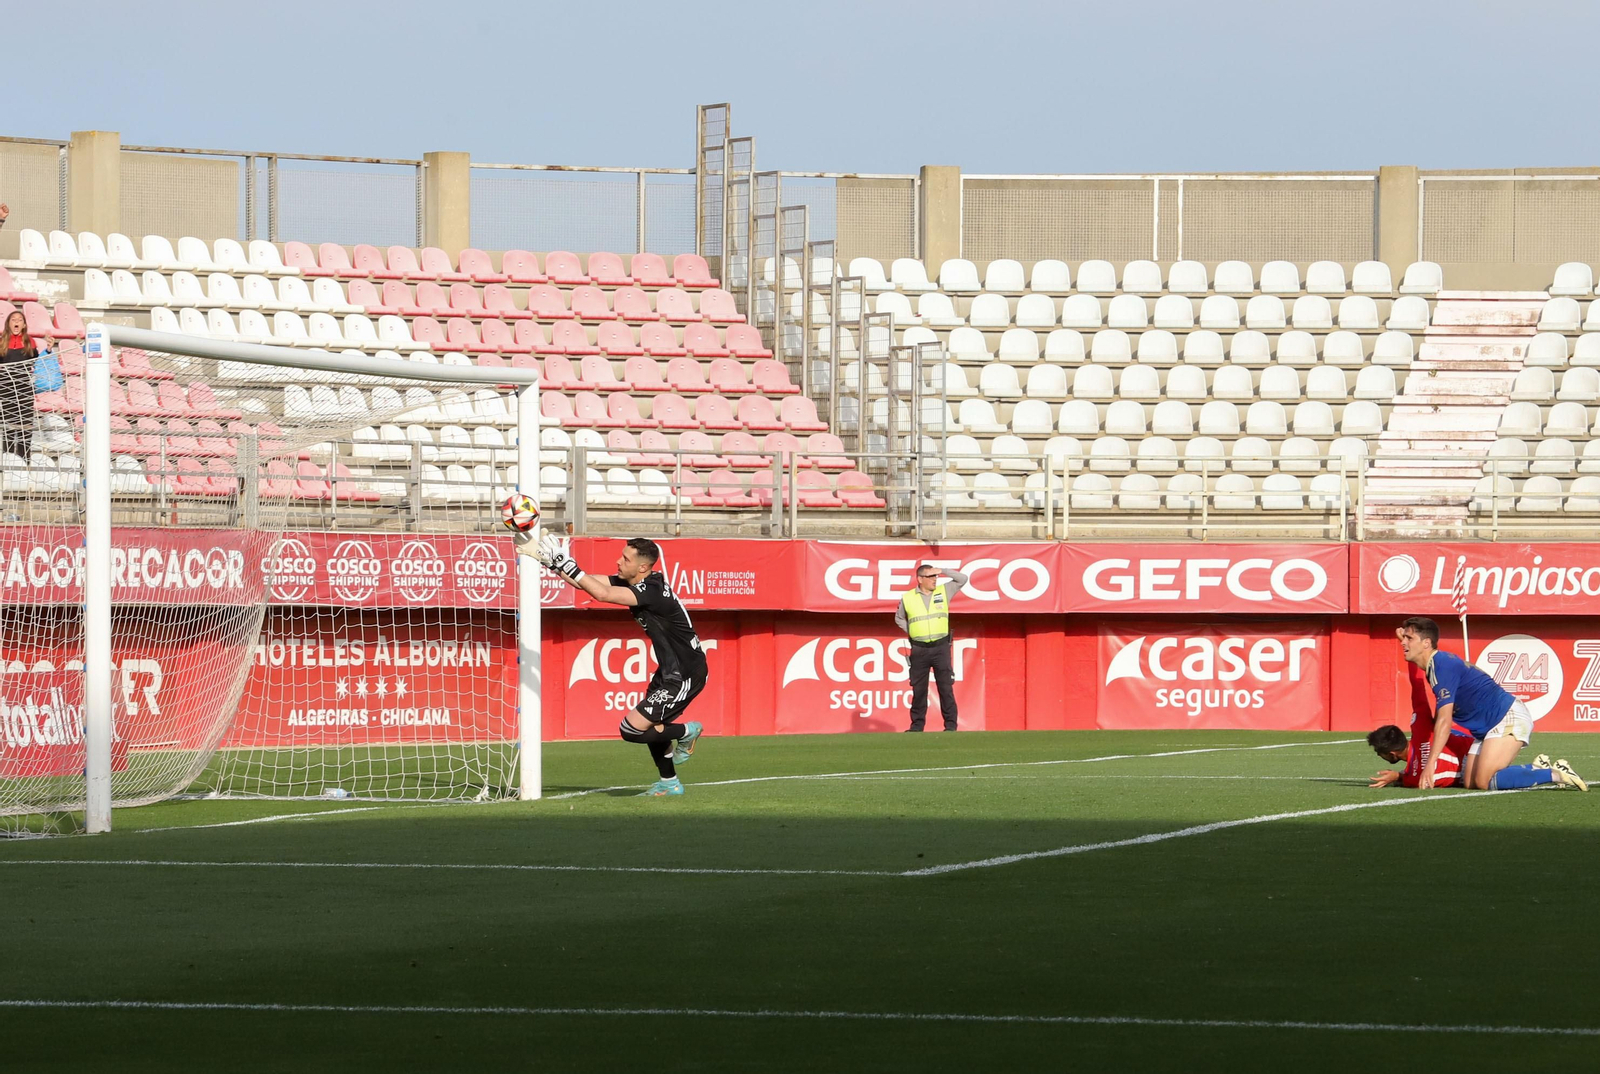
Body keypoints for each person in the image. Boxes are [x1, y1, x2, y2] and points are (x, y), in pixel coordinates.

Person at [525, 535, 707, 797]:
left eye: (626, 559)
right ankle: (669, 783)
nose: (618, 561)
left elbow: (603, 594)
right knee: (652, 725)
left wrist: (567, 563)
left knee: (631, 729)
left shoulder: (652, 591)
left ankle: (688, 731)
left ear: (642, 567)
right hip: (669, 670)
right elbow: (587, 583)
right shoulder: (637, 582)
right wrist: (553, 564)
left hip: (685, 673)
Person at [1397, 616, 1586, 792]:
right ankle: (1535, 768)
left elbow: (1444, 720)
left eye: (1409, 638)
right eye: (1404, 638)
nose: (1404, 642)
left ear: (1426, 643)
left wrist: (1430, 763)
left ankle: (1555, 774)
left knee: (1484, 781)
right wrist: (1405, 640)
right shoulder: (1436, 665)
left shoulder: (1442, 667)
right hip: (1488, 728)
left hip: (1506, 717)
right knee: (1470, 782)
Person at [1366, 659, 1472, 788]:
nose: (1378, 755)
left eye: (1379, 752)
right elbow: (1417, 686)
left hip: (1474, 769)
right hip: (1478, 744)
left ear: (1392, 753)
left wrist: (1397, 776)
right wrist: (1412, 656)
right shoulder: (1421, 728)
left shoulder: (1415, 779)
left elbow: (1408, 778)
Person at [895, 563, 969, 732]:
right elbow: (899, 618)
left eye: (936, 576)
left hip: (940, 647)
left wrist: (942, 570)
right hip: (919, 649)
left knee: (945, 687)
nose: (935, 579)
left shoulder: (944, 591)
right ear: (920, 579)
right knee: (919, 689)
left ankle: (950, 726)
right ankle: (917, 726)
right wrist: (912, 632)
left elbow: (963, 579)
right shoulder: (908, 597)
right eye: (931, 576)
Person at [0, 308, 38, 463]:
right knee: (8, 428)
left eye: (19, 320)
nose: (16, 322)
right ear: (8, 324)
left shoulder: (30, 341)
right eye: (13, 320)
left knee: (25, 427)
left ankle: (24, 462)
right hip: (5, 389)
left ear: (24, 325)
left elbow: (37, 361)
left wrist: (49, 350)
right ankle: (8, 463)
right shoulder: (1, 342)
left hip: (24, 389)